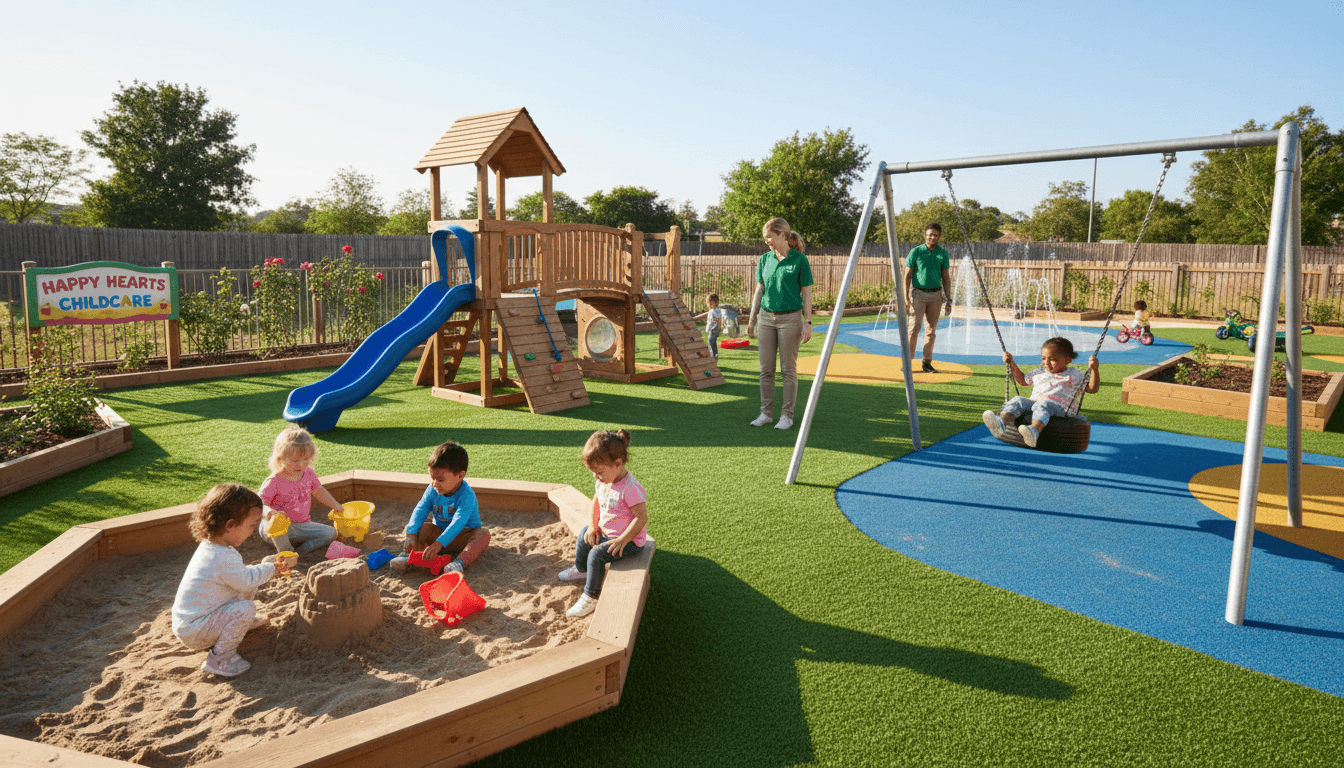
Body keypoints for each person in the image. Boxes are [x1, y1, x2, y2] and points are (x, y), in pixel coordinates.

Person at [172, 483, 292, 677]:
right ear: (229, 525)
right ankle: (220, 658)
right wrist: (271, 568)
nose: (253, 532)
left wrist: (266, 569)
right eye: (251, 525)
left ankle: (234, 626)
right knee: (246, 607)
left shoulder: (213, 547)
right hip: (195, 631)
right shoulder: (221, 557)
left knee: (248, 582)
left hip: (194, 621)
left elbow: (244, 579)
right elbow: (246, 580)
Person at [558, 429, 648, 618]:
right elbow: (596, 502)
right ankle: (581, 570)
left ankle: (590, 598)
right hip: (608, 532)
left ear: (617, 463)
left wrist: (623, 540)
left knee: (596, 555)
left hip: (629, 541)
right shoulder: (604, 480)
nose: (595, 477)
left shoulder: (630, 488)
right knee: (584, 535)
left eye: (599, 472)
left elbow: (641, 518)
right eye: (593, 472)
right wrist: (593, 526)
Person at [746, 217, 814, 430]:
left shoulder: (800, 260)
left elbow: (807, 294)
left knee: (788, 370)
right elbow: (759, 290)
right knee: (766, 370)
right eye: (765, 237)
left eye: (769, 237)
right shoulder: (764, 259)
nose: (767, 241)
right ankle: (765, 413)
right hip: (766, 318)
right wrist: (752, 318)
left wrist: (808, 322)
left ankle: (787, 416)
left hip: (790, 319)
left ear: (783, 236)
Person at [390, 440, 490, 575]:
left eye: (441, 480)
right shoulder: (432, 490)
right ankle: (410, 557)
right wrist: (411, 534)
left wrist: (438, 544)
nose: (435, 483)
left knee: (483, 534)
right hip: (439, 536)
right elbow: (421, 509)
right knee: (424, 527)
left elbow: (458, 523)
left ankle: (458, 564)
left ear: (460, 476)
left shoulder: (467, 495)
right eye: (432, 478)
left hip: (463, 539)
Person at [982, 337, 1101, 448]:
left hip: (1062, 409)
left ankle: (1034, 431)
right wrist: (1011, 362)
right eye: (1043, 358)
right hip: (1035, 403)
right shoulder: (1039, 371)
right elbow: (1023, 380)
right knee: (1018, 400)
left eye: (1053, 359)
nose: (1046, 363)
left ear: (1068, 360)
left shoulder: (1073, 374)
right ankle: (1001, 422)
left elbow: (1092, 389)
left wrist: (1094, 370)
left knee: (1043, 404)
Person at [259, 425, 343, 556]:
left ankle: (302, 551)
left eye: (306, 459)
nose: (301, 464)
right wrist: (270, 513)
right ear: (280, 459)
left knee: (330, 533)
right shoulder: (274, 481)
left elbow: (319, 491)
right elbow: (259, 505)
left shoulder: (308, 473)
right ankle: (287, 553)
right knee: (279, 523)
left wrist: (335, 505)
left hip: (301, 525)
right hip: (275, 530)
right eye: (295, 460)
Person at [904, 223, 953, 374]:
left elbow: (945, 277)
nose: (932, 237)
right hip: (918, 294)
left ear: (940, 236)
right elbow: (907, 276)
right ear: (925, 235)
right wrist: (905, 297)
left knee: (931, 331)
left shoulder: (942, 254)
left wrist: (948, 299)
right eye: (929, 234)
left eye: (935, 235)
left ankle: (927, 363)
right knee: (913, 329)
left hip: (936, 296)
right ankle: (907, 362)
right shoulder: (916, 252)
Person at [705, 293, 734, 360]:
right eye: (709, 304)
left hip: (714, 329)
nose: (710, 305)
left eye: (711, 304)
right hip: (712, 329)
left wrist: (720, 327)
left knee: (711, 342)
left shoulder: (716, 311)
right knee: (711, 342)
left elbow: (719, 320)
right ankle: (713, 356)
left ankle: (714, 357)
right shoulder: (712, 310)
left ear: (716, 303)